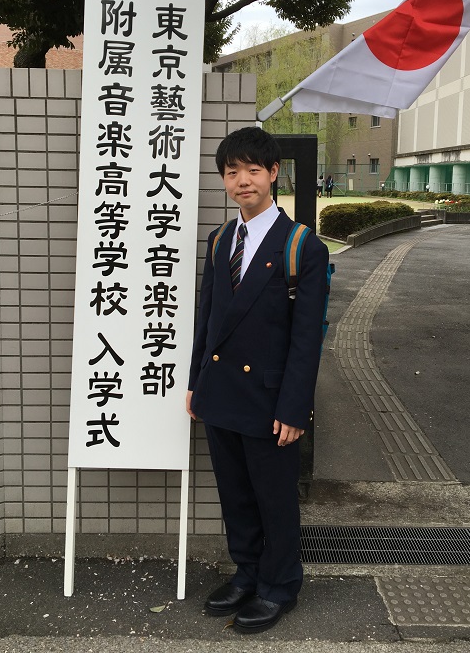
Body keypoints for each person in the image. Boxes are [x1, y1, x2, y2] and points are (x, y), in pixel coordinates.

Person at [187, 126, 329, 634]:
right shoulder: (221, 238)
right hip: (220, 392)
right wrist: (194, 380)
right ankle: (247, 573)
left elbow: (307, 338)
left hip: (270, 400)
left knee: (274, 498)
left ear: (273, 174)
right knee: (235, 493)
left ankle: (279, 584)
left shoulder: (301, 246)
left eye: (252, 170)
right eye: (231, 172)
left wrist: (294, 408)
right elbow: (208, 316)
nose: (242, 180)